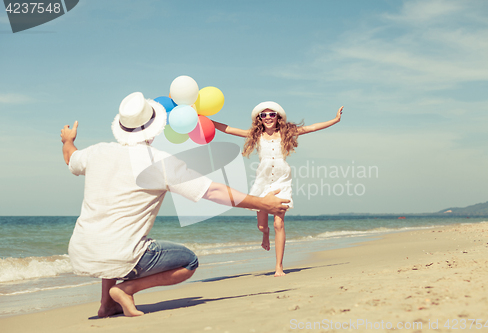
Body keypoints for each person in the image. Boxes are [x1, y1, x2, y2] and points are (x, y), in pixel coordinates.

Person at [60, 92, 289, 317]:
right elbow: (213, 191)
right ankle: (126, 289)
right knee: (189, 261)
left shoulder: (98, 151)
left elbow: (71, 157)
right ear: (155, 127)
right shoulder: (159, 161)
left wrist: (68, 140)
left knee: (114, 232)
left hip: (81, 252)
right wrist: (263, 203)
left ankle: (106, 304)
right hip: (122, 256)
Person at [213, 102, 343, 277]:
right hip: (262, 182)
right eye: (263, 115)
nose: (267, 118)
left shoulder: (286, 133)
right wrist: (206, 121)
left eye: (271, 114)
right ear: (259, 119)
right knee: (261, 226)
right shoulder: (255, 135)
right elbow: (229, 129)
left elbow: (311, 128)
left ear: (277, 117)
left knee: (279, 223)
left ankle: (279, 267)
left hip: (282, 181)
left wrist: (335, 120)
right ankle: (265, 234)